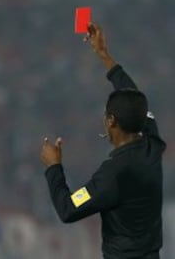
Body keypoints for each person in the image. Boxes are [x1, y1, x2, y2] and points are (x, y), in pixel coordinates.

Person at [41, 23, 166, 259]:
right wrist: (104, 56)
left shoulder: (112, 175)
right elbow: (134, 97)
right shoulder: (153, 146)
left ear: (110, 121)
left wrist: (53, 167)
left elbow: (68, 209)